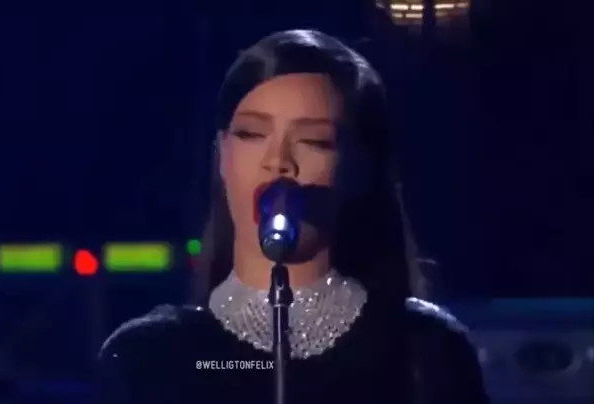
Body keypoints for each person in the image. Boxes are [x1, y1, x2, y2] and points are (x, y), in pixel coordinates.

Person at [97, 29, 489, 404]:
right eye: (251, 134)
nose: (277, 161)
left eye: (314, 140)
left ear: (363, 169)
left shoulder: (426, 350)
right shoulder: (147, 357)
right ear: (222, 156)